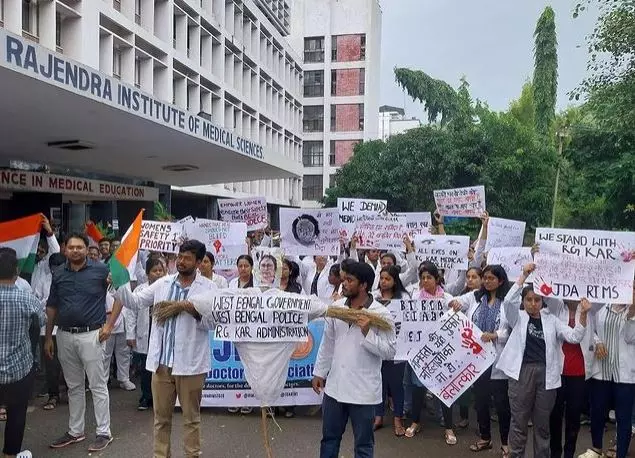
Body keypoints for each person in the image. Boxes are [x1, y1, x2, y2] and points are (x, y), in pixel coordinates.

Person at [116, 240, 217, 458]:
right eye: (180, 256)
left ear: (199, 262)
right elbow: (134, 302)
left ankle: (192, 455)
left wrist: (189, 307)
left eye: (187, 257)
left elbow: (212, 323)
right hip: (162, 364)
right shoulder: (163, 284)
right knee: (161, 419)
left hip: (190, 366)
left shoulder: (209, 288)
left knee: (191, 419)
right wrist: (119, 283)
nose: (181, 261)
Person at [496, 264, 590, 458]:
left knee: (542, 424)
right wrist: (524, 274)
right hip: (521, 374)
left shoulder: (551, 320)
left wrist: (583, 314)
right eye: (528, 300)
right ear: (523, 301)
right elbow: (508, 301)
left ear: (542, 301)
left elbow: (574, 337)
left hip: (546, 376)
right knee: (519, 422)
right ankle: (516, 455)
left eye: (537, 300)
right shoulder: (518, 317)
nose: (533, 303)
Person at [45, 233, 121, 452]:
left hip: (93, 335)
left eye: (80, 247)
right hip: (65, 335)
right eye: (71, 247)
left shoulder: (101, 270)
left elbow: (121, 295)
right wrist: (49, 337)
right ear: (65, 250)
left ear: (87, 249)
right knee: (74, 386)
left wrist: (109, 326)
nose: (75, 250)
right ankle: (75, 431)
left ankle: (104, 432)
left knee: (97, 385)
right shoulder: (58, 273)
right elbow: (52, 306)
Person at [312, 261, 396, 458]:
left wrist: (368, 333)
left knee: (364, 445)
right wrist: (319, 372)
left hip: (363, 391)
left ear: (364, 285)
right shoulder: (336, 308)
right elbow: (328, 343)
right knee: (329, 439)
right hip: (335, 388)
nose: (344, 284)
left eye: (350, 280)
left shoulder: (380, 314)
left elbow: (390, 352)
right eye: (344, 279)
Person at [449, 265, 511, 455]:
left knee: (501, 404)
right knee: (481, 402)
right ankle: (485, 438)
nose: (487, 281)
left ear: (500, 281)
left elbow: (513, 328)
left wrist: (495, 335)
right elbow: (453, 301)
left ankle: (506, 442)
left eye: (492, 278)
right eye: (485, 277)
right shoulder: (475, 296)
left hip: (498, 359)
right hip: (477, 360)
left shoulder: (508, 302)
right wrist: (455, 304)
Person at [577, 288, 635, 458]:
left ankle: (621, 454)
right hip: (601, 371)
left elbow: (630, 338)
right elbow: (591, 330)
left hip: (624, 376)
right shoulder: (602, 307)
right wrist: (598, 342)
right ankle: (596, 449)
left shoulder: (632, 312)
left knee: (623, 418)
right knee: (597, 411)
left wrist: (632, 311)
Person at [404, 261, 456, 445]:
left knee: (444, 389)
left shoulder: (446, 298)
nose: (425, 280)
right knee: (418, 388)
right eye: (423, 277)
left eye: (429, 277)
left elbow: (456, 317)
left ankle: (449, 427)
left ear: (437, 278)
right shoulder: (416, 296)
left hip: (442, 350)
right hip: (421, 350)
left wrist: (456, 307)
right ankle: (416, 422)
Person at [0, 247, 45, 458]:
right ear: (16, 271)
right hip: (19, 370)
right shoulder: (27, 299)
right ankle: (11, 454)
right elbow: (42, 320)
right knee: (17, 414)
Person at [548, 299, 597, 458]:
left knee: (574, 416)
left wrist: (599, 341)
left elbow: (594, 332)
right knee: (555, 415)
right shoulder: (555, 306)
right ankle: (555, 453)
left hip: (579, 371)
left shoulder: (590, 309)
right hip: (558, 371)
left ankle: (569, 453)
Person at [124, 258, 166, 411]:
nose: (158, 273)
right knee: (146, 369)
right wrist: (130, 334)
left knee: (162, 369)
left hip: (161, 333)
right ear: (148, 273)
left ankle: (161, 399)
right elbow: (131, 313)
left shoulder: (168, 288)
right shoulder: (140, 290)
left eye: (161, 270)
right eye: (155, 271)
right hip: (144, 334)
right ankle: (146, 397)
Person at [374, 265, 410, 436]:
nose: (384, 282)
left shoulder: (404, 298)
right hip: (377, 346)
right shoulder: (373, 298)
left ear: (395, 280)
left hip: (398, 349)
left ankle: (398, 418)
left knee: (396, 385)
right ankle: (378, 416)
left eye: (387, 279)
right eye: (381, 278)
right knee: (378, 383)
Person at [36, 253, 66, 411]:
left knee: (67, 363)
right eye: (53, 268)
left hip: (65, 327)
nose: (55, 271)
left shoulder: (69, 279)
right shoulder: (43, 280)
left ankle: (67, 392)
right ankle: (53, 395)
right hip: (47, 330)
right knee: (50, 364)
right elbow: (37, 301)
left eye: (58, 267)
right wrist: (48, 301)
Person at [103, 291, 136, 391]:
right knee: (105, 354)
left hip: (123, 320)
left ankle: (124, 379)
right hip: (107, 322)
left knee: (124, 353)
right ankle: (103, 381)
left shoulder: (123, 282)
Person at [30, 214, 60, 306]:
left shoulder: (46, 264)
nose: (38, 253)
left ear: (47, 253)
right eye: (37, 251)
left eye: (42, 251)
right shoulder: (33, 264)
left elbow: (55, 250)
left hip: (45, 305)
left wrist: (49, 231)